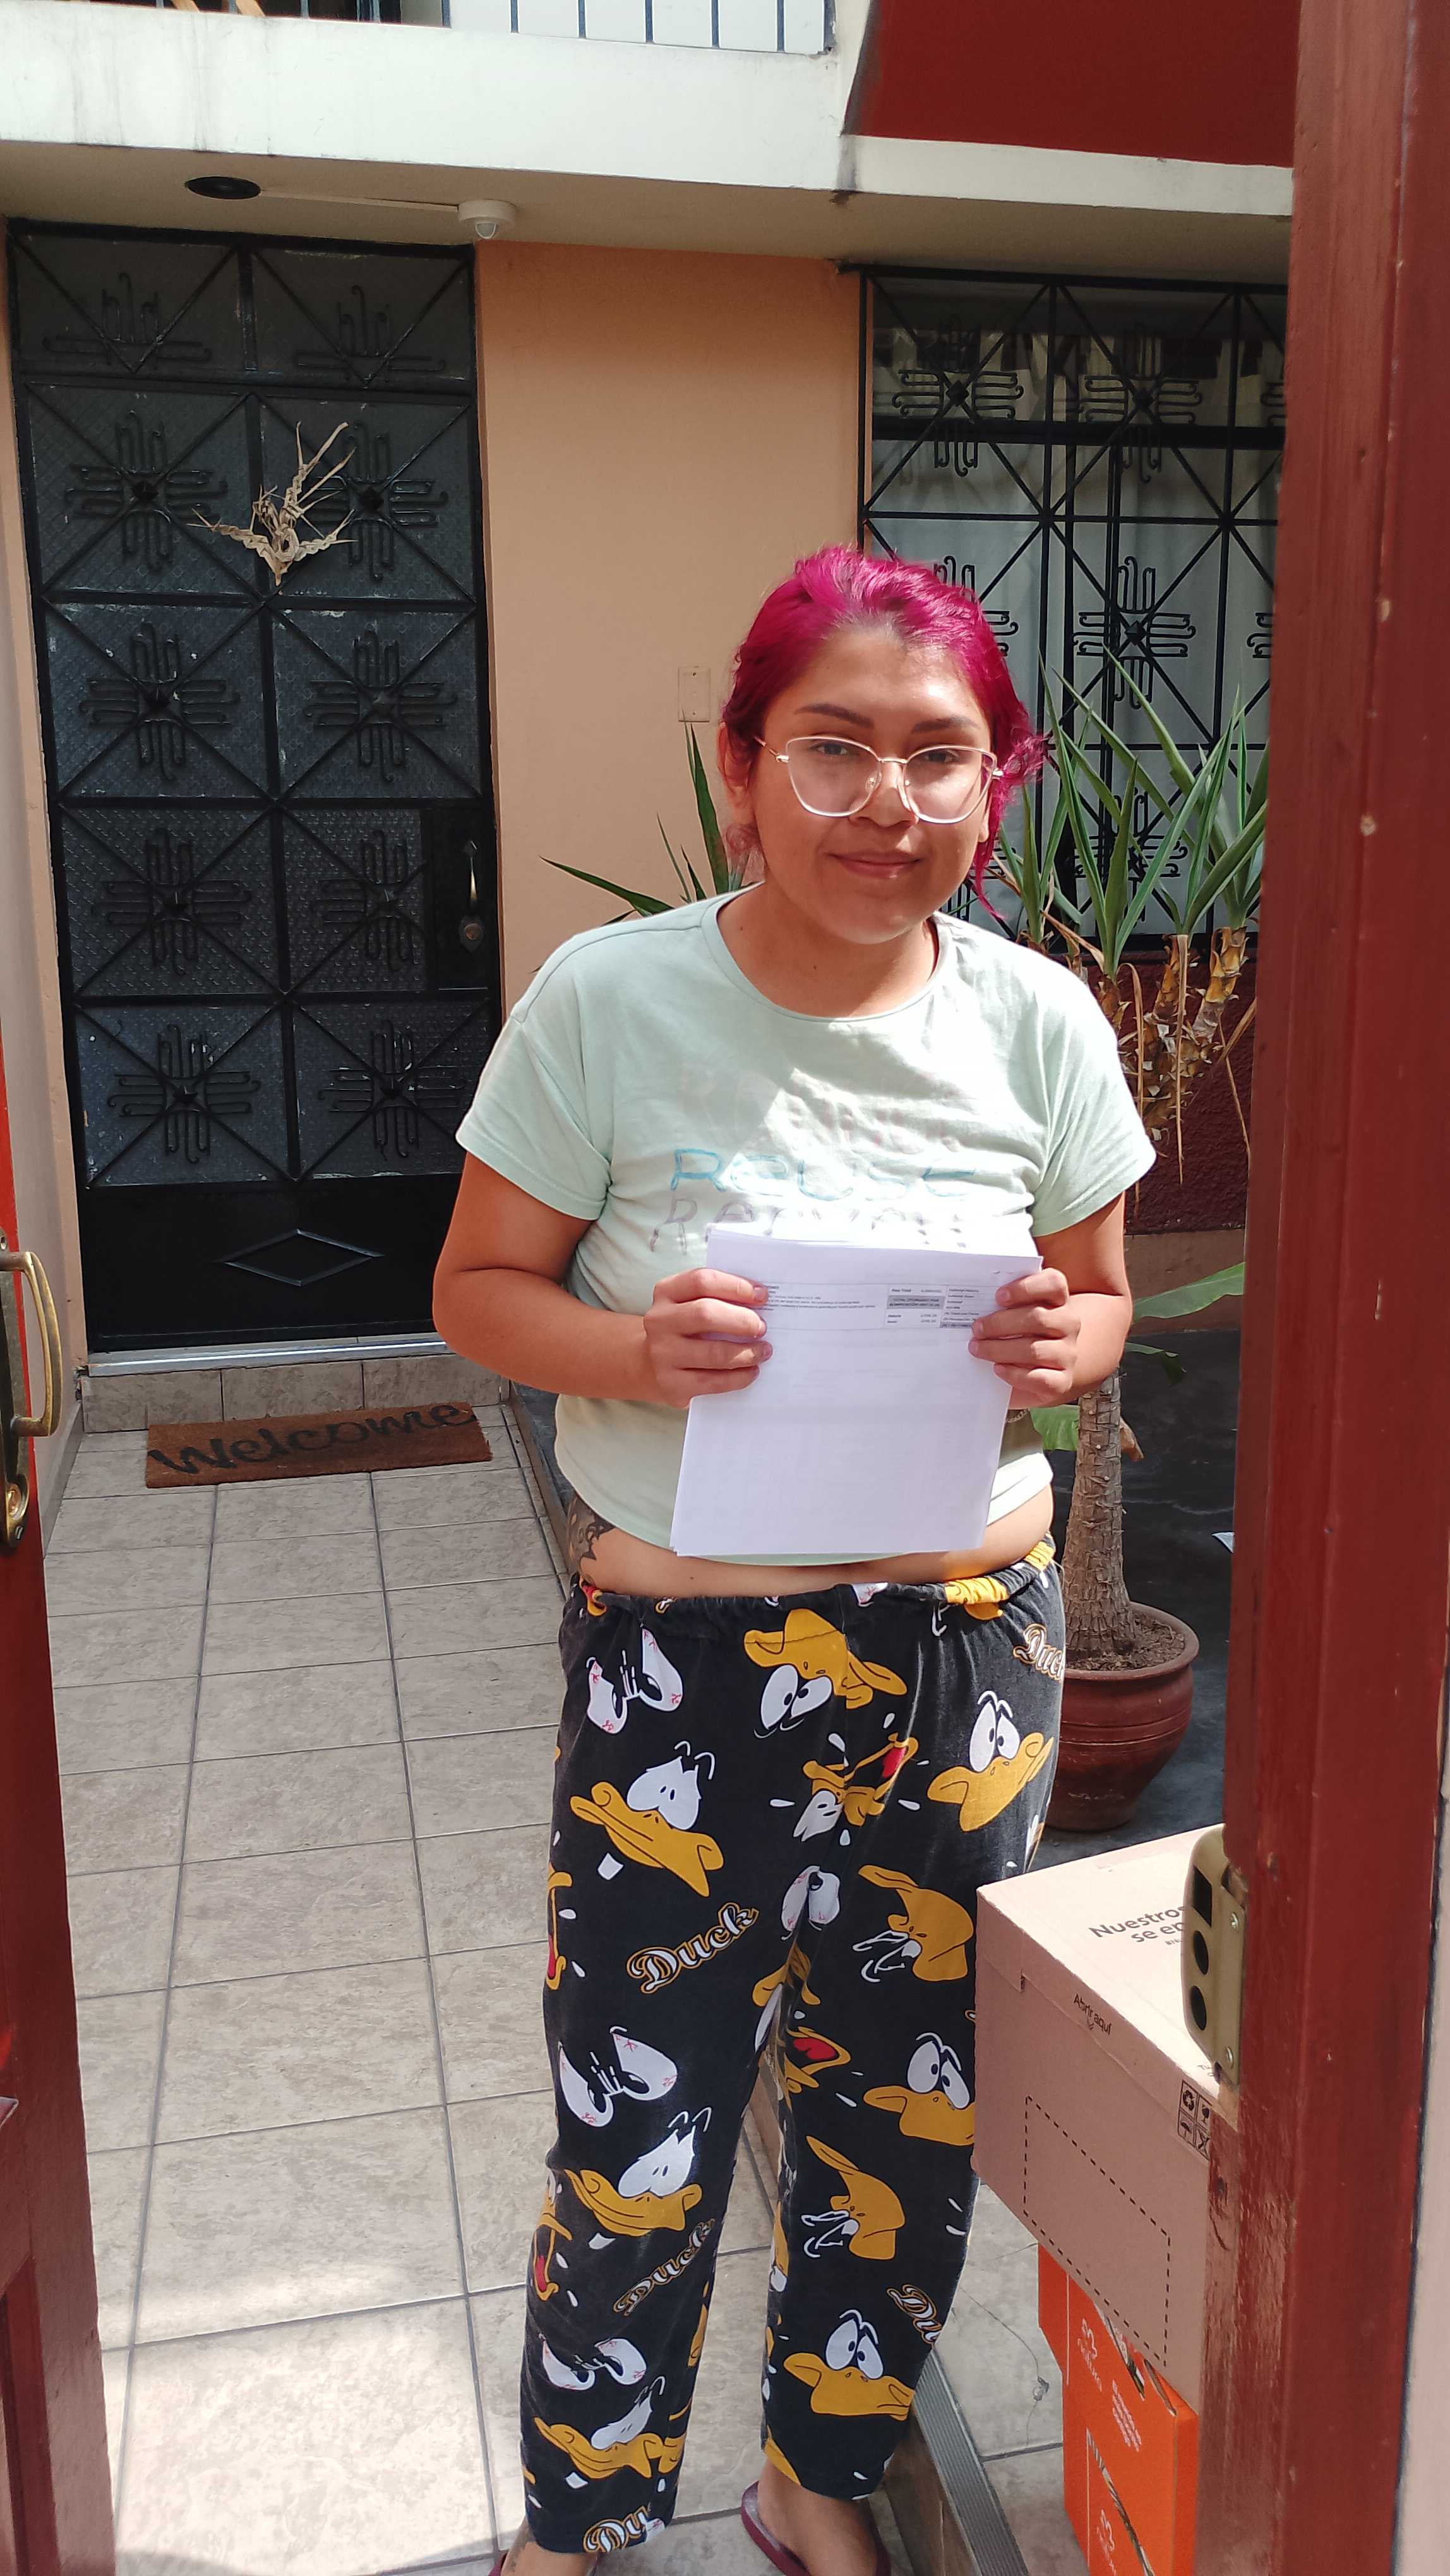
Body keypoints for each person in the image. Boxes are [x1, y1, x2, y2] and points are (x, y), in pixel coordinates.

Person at [434, 547, 1154, 2576]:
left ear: (994, 785)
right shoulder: (613, 1001)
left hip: (965, 1664)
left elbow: (1104, 1304)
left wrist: (1064, 1346)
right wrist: (632, 1349)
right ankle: (578, 2521)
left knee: (902, 2121)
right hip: (696, 1673)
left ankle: (812, 2478)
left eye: (940, 755)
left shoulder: (1038, 1022)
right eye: (832, 748)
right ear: (744, 766)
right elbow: (479, 1289)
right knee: (641, 2132)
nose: (885, 801)